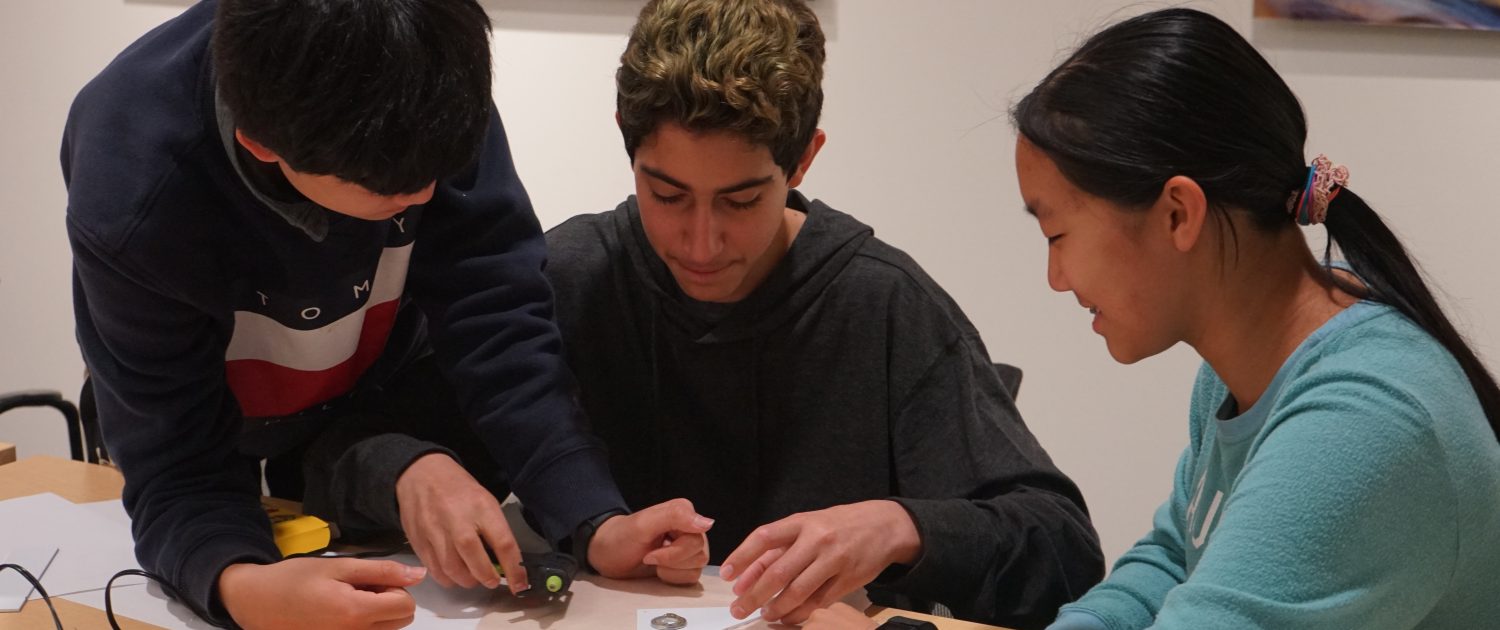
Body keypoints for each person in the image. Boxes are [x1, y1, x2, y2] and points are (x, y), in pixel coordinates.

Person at [808, 7, 1500, 630]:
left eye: (1057, 236)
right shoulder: (1249, 364)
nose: (1055, 279)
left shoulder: (1365, 422)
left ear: (1177, 213)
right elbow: (1172, 559)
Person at [63, 1, 708, 628]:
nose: (428, 197)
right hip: (217, 430)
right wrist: (241, 584)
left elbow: (498, 321)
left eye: (440, 171)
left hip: (366, 420)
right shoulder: (135, 192)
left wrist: (593, 516)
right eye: (389, 193)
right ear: (261, 143)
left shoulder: (427, 74)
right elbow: (176, 463)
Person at [542, 0, 1104, 627]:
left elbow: (1061, 551)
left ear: (804, 159)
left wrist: (900, 525)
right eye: (667, 195)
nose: (700, 244)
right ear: (624, 134)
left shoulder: (882, 302)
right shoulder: (569, 277)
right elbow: (440, 465)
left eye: (741, 200)